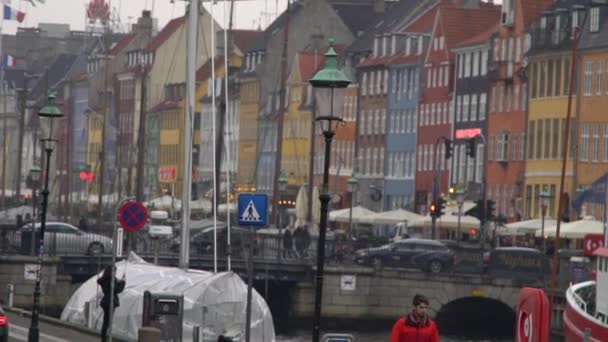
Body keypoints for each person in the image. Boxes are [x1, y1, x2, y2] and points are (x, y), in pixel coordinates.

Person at [98, 265, 126, 342]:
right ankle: (105, 339)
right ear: (111, 272)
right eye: (114, 271)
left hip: (105, 301)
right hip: (110, 301)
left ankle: (104, 339)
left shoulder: (105, 279)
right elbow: (117, 289)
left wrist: (119, 281)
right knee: (107, 322)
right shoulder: (111, 280)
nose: (115, 273)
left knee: (106, 321)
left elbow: (113, 286)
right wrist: (123, 282)